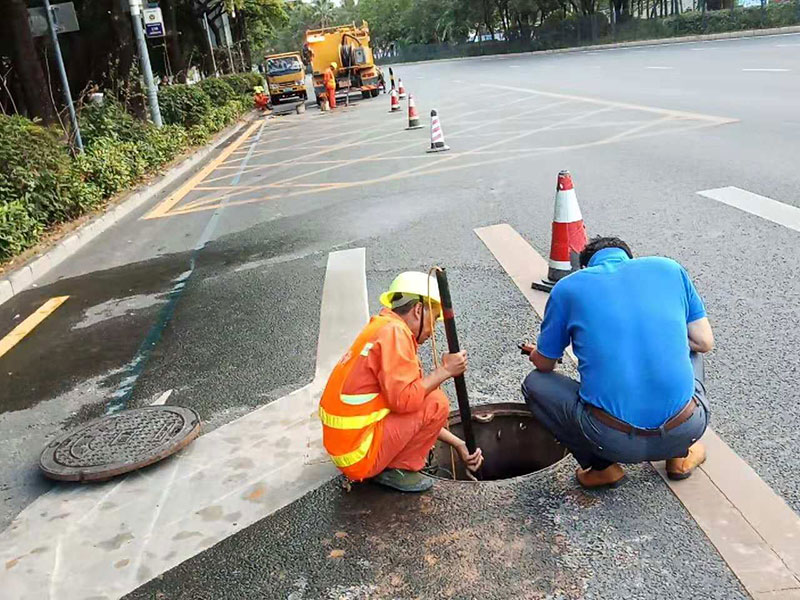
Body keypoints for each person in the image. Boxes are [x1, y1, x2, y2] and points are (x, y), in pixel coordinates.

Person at [522, 237, 714, 489]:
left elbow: (545, 365)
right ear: (629, 258)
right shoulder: (668, 269)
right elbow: (704, 342)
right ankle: (680, 457)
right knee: (693, 350)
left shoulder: (569, 288)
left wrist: (538, 352)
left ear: (586, 267)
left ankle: (602, 468)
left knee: (535, 383)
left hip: (611, 440)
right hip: (688, 427)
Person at [319, 272, 484, 492]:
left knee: (429, 397)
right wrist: (445, 371)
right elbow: (406, 402)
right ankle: (397, 470)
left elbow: (412, 409)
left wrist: (458, 444)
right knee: (437, 402)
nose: (432, 330)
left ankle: (387, 462)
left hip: (349, 446)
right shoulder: (395, 334)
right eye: (433, 320)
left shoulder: (383, 328)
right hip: (359, 455)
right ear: (418, 311)